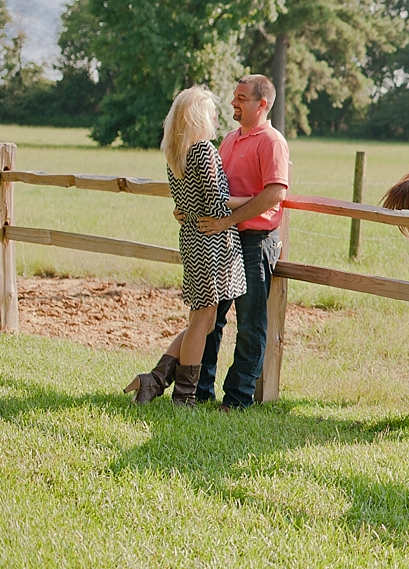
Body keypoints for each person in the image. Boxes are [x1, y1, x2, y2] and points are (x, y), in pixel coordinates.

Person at [124, 87, 247, 406]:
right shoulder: (203, 149)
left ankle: (154, 380)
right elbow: (217, 204)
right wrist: (255, 201)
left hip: (193, 238)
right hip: (211, 242)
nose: (217, 116)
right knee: (201, 323)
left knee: (201, 322)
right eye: (212, 111)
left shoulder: (176, 148)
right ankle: (184, 397)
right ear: (198, 115)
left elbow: (188, 201)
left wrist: (189, 211)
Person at [194, 74, 290, 411]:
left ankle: (237, 397)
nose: (234, 102)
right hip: (224, 239)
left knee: (250, 323)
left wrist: (227, 221)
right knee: (211, 318)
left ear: (262, 104)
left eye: (242, 98)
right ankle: (200, 390)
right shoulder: (230, 139)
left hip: (254, 241)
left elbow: (275, 193)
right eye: (234, 96)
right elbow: (216, 190)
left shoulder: (271, 142)